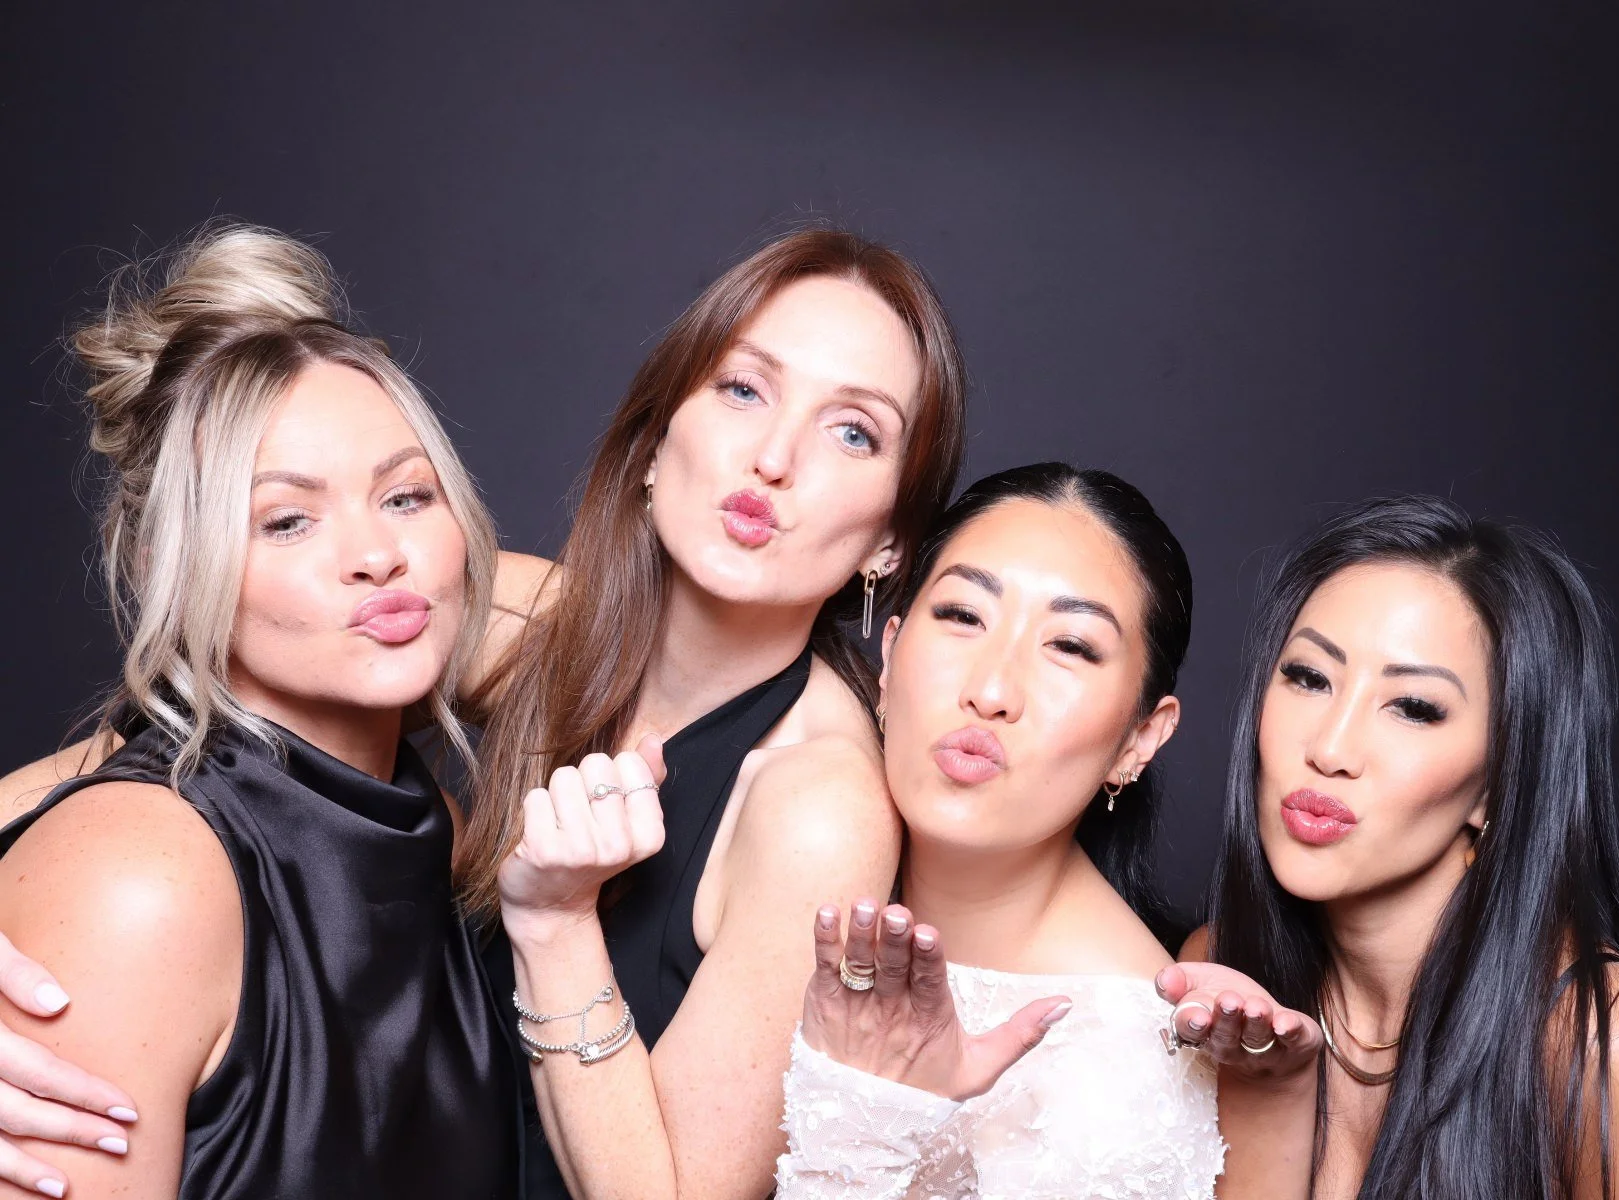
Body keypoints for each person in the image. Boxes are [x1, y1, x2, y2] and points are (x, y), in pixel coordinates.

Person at [0, 227, 969, 1199]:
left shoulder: (818, 799)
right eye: (744, 389)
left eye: (853, 431)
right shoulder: (525, 624)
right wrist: (50, 906)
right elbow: (190, 728)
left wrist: (555, 925)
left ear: (889, 539)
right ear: (657, 432)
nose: (773, 458)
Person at [502, 463, 1227, 1198]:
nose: (992, 690)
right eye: (962, 617)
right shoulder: (810, 808)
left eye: (1069, 647)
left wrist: (876, 1119)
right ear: (889, 653)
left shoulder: (1117, 1070)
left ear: (1142, 737)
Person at [0, 225, 516, 1198]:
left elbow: (631, 630)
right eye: (288, 518)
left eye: (408, 497)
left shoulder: (432, 831)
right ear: (173, 568)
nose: (376, 554)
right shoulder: (140, 879)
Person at [1154, 496, 1619, 1199]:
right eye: (1308, 677)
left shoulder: (1603, 1045)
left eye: (1414, 708)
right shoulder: (1221, 976)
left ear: (1499, 779)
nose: (1330, 749)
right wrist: (1269, 1102)